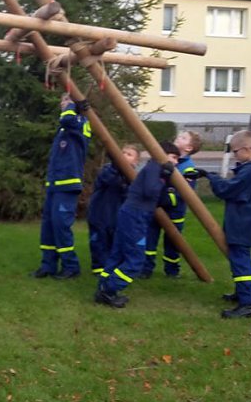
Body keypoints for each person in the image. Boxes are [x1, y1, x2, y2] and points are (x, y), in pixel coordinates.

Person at [95, 141, 180, 308]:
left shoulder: (154, 169)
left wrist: (167, 184)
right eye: (174, 157)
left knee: (118, 254)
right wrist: (164, 178)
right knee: (136, 260)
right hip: (136, 216)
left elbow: (160, 199)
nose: (176, 162)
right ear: (163, 154)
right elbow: (150, 191)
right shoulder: (155, 168)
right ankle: (109, 289)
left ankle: (103, 287)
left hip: (130, 213)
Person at [198, 130, 251, 319]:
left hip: (244, 225)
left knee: (241, 263)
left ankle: (249, 304)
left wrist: (210, 176)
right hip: (244, 223)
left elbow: (226, 189)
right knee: (239, 261)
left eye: (235, 152)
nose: (234, 155)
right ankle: (242, 293)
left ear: (245, 149)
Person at [33, 93, 92, 279]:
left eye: (66, 101)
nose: (62, 104)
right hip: (54, 184)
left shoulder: (81, 123)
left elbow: (68, 119)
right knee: (48, 225)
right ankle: (48, 264)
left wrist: (72, 107)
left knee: (61, 225)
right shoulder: (63, 128)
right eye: (62, 101)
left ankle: (71, 266)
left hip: (68, 185)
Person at [139, 130, 202, 278]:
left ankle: (172, 270)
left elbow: (185, 193)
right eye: (179, 135)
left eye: (183, 137)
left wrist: (169, 197)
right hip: (156, 208)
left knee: (173, 243)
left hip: (175, 212)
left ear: (189, 148)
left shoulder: (188, 168)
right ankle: (145, 268)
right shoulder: (164, 159)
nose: (178, 137)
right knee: (149, 239)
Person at [86, 144, 140, 276]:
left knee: (115, 242)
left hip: (118, 217)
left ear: (136, 161)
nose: (124, 156)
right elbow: (109, 180)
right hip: (100, 214)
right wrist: (116, 166)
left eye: (129, 154)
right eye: (123, 153)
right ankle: (99, 268)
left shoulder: (133, 177)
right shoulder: (108, 169)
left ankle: (114, 266)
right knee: (99, 242)